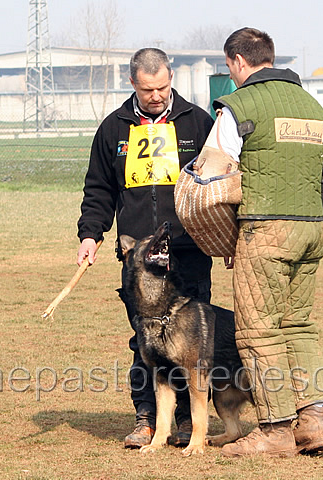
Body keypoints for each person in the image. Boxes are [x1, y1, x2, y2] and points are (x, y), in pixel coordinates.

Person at [205, 28, 323, 457]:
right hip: (312, 231)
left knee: (257, 332)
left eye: (229, 67)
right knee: (298, 324)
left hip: (264, 231)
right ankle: (313, 421)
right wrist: (319, 225)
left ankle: (276, 429)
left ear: (238, 62)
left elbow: (212, 177)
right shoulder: (312, 107)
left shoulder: (238, 106)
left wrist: (225, 237)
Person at [76, 48, 214, 449]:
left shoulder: (198, 123)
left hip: (189, 251)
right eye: (148, 88)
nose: (156, 95)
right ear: (132, 83)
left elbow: (219, 185)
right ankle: (146, 418)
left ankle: (188, 419)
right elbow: (99, 188)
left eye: (163, 87)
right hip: (139, 260)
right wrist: (91, 233)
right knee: (145, 340)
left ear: (171, 79)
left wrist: (225, 239)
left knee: (192, 343)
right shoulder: (113, 128)